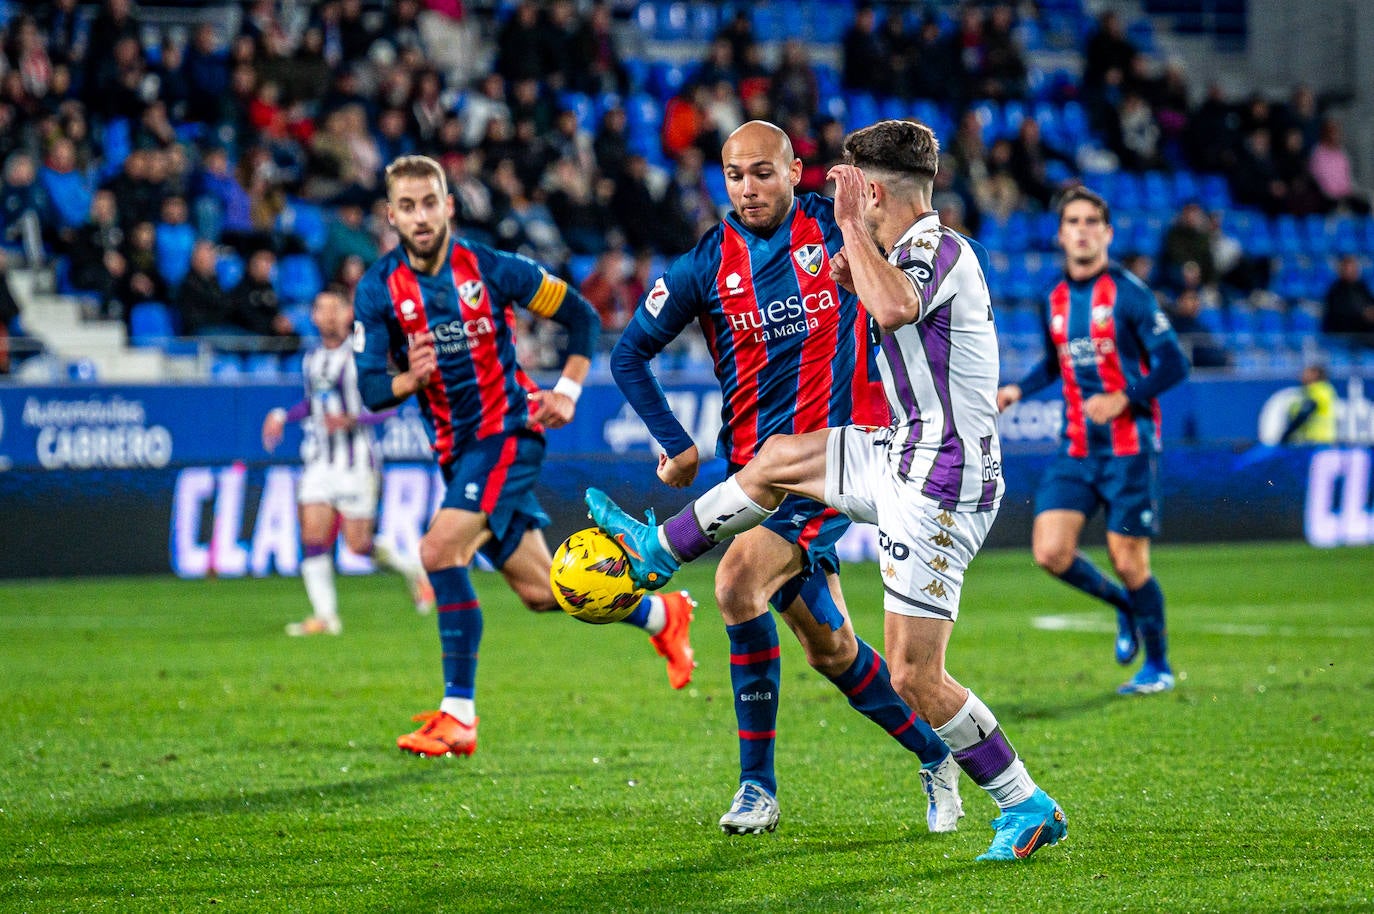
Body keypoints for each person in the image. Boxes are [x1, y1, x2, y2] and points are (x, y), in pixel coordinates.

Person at [588, 120, 1066, 862]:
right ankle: (658, 548)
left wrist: (846, 234)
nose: (751, 189)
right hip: (896, 453)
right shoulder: (849, 252)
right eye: (734, 175)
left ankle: (1022, 801)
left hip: (940, 480)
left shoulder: (935, 248)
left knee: (907, 669)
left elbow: (899, 307)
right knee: (826, 623)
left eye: (766, 173)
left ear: (868, 189)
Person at [353, 155, 696, 758]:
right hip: (457, 454)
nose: (420, 216)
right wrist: (410, 379)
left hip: (508, 433)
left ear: (449, 206)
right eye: (406, 207)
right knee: (543, 592)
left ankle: (458, 715)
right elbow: (370, 390)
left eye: (429, 202)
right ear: (391, 215)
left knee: (437, 550)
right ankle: (663, 618)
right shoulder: (378, 288)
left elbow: (581, 317)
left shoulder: (492, 268)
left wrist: (566, 389)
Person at [996, 187, 1190, 695]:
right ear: (1060, 235)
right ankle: (1123, 606)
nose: (1081, 230)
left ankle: (1160, 666)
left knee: (1129, 561)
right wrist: (1019, 388)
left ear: (1106, 233)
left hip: (1129, 448)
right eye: (1072, 222)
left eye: (1091, 222)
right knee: (1050, 552)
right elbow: (1055, 362)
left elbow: (1175, 362)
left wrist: (1126, 396)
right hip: (1077, 448)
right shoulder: (1054, 299)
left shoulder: (1129, 293)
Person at [262, 287, 434, 635]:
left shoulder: (362, 357)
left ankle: (413, 570)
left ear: (346, 315)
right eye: (320, 309)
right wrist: (282, 415)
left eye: (334, 308)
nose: (327, 315)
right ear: (312, 316)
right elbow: (315, 403)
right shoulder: (311, 360)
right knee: (313, 536)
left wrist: (353, 419)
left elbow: (390, 402)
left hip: (356, 464)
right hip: (320, 462)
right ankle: (325, 617)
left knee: (358, 545)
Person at [1279, 365, 1338, 445]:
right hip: (1311, 440)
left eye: (1306, 373)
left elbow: (1305, 412)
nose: (1302, 375)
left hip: (1318, 441)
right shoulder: (1309, 391)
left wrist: (1287, 434)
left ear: (1315, 374)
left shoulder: (1320, 390)